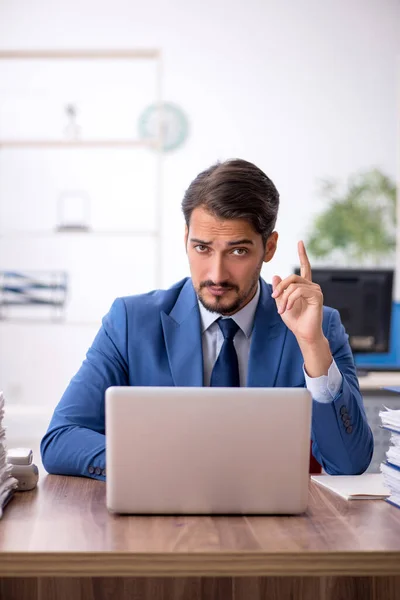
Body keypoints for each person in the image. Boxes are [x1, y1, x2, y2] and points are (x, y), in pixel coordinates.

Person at [41, 159, 373, 479]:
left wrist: (312, 346)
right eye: (202, 248)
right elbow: (62, 438)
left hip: (276, 529)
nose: (216, 274)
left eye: (238, 251)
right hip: (161, 526)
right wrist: (156, 467)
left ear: (269, 248)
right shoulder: (129, 322)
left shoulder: (319, 328)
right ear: (186, 238)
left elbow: (349, 463)